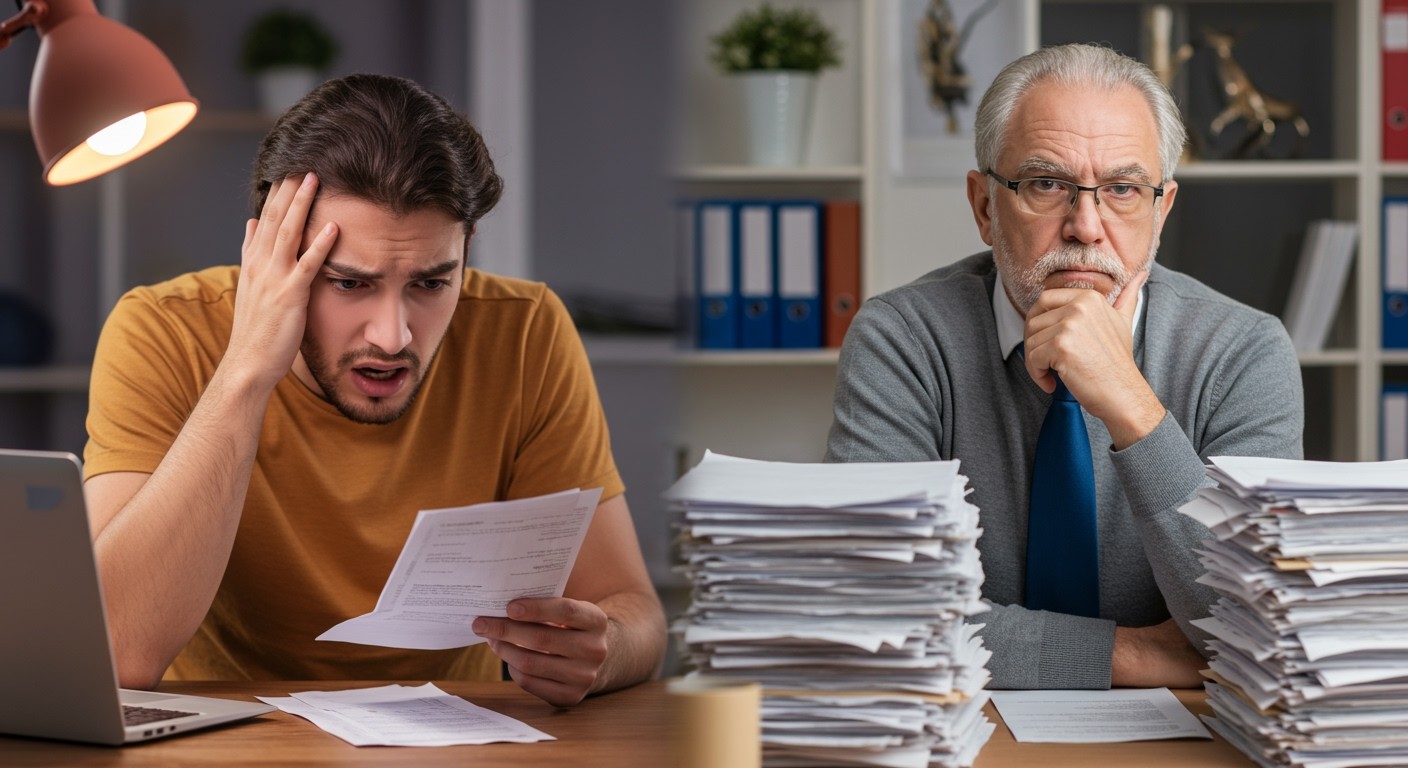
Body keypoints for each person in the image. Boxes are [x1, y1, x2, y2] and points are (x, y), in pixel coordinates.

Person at [82, 74, 666, 707]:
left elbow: (638, 618)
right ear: (271, 258)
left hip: (451, 742)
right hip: (224, 736)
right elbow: (114, 653)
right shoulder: (163, 330)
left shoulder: (526, 331)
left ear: (465, 251)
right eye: (349, 284)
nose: (392, 337)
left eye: (431, 284)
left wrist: (599, 650)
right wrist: (247, 370)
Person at [825, 44, 1303, 689]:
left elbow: (1260, 626)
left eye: (1123, 189)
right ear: (985, 205)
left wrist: (1132, 408)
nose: (1086, 225)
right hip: (962, 731)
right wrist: (1134, 655)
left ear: (1161, 210)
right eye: (1046, 184)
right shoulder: (903, 340)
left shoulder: (1245, 351)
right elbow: (875, 607)